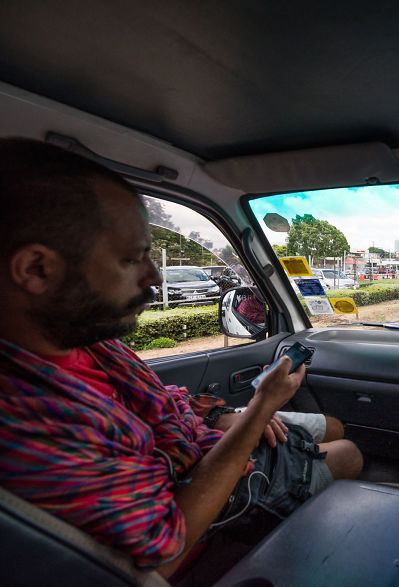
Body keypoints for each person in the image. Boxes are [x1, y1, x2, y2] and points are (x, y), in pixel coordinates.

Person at [0, 138, 363, 581]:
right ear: (37, 269)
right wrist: (258, 412)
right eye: (132, 259)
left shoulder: (82, 338)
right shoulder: (33, 424)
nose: (154, 279)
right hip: (201, 496)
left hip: (194, 438)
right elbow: (167, 541)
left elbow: (153, 405)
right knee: (347, 453)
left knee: (333, 428)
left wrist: (220, 417)